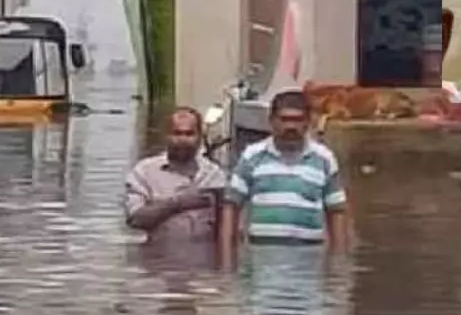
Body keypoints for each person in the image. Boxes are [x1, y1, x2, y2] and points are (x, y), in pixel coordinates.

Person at [219, 90, 349, 261]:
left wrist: (338, 262)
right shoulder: (252, 156)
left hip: (308, 258)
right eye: (284, 119)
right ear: (272, 121)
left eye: (297, 120)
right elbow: (231, 206)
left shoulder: (324, 159)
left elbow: (336, 211)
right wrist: (228, 261)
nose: (291, 126)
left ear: (308, 122)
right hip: (260, 257)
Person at [124, 108, 228, 244]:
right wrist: (177, 203)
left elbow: (228, 224)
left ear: (199, 138)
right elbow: (135, 219)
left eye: (189, 134)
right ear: (166, 136)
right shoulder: (144, 172)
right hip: (158, 257)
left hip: (204, 258)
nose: (183, 139)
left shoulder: (213, 174)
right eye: (177, 133)